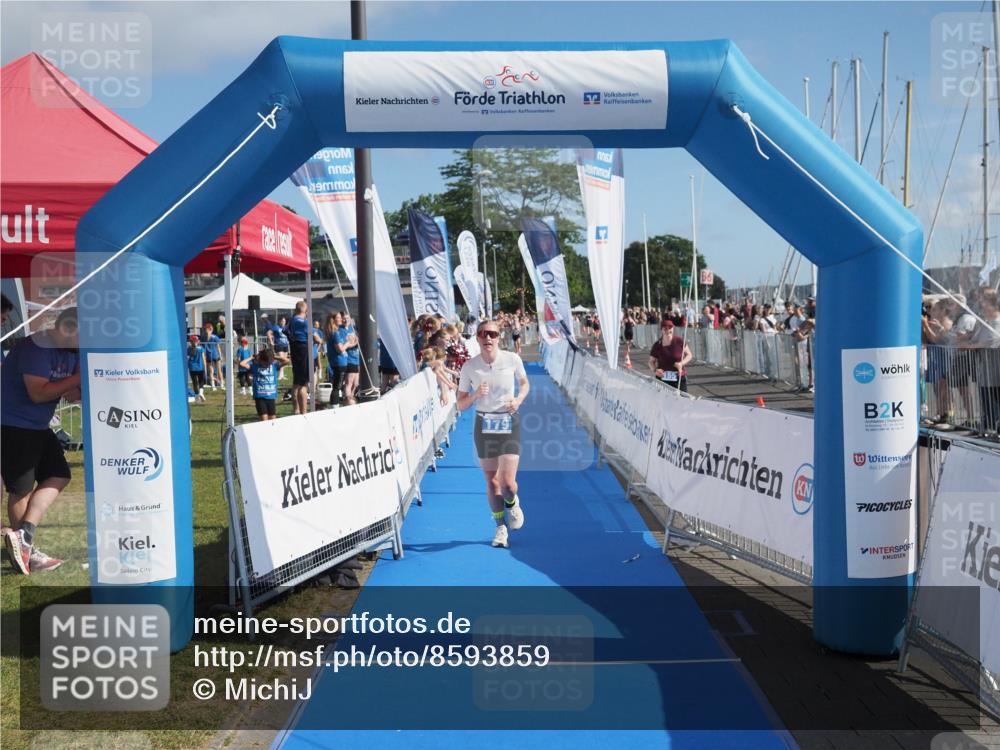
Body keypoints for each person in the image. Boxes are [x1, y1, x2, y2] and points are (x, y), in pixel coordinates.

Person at [1, 307, 80, 574]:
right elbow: (39, 393)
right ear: (67, 329)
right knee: (20, 489)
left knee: (58, 474)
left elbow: (72, 392)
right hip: (11, 423)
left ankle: (24, 534)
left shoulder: (73, 351)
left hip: (35, 424)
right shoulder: (35, 347)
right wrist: (78, 378)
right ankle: (26, 553)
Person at [456, 320, 530, 549]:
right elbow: (460, 404)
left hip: (508, 421)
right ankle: (500, 528)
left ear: (499, 337)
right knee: (492, 481)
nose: (488, 338)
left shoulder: (512, 359)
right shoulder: (469, 367)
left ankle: (513, 502)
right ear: (477, 337)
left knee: (507, 483)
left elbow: (525, 383)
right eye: (483, 334)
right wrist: (476, 394)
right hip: (484, 423)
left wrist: (518, 400)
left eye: (492, 334)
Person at [240, 348, 288, 421]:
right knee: (264, 421)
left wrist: (273, 356)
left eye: (268, 362)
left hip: (271, 397)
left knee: (273, 421)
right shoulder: (255, 367)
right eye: (265, 362)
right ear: (260, 360)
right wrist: (251, 357)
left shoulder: (274, 366)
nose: (266, 364)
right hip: (260, 397)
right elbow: (242, 363)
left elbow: (287, 360)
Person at [648, 319, 693, 392]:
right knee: (664, 401)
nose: (668, 330)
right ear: (661, 330)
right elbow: (651, 362)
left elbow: (689, 355)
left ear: (673, 328)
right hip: (663, 379)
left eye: (670, 328)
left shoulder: (679, 341)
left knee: (683, 400)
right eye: (665, 328)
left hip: (679, 377)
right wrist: (655, 370)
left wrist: (681, 363)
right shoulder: (657, 345)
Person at [288, 301, 312, 415]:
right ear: (305, 311)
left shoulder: (291, 320)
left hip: (295, 351)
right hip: (302, 351)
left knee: (296, 382)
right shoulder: (304, 322)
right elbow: (313, 336)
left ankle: (296, 410)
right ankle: (304, 412)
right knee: (303, 384)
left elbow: (285, 331)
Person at [201, 322, 222, 389]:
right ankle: (217, 384)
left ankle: (217, 385)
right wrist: (220, 355)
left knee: (215, 370)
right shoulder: (210, 337)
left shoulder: (207, 337)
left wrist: (220, 355)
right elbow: (218, 347)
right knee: (215, 370)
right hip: (213, 355)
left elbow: (217, 346)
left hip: (212, 355)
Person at [187, 335, 208, 403]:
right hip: (200, 367)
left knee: (194, 382)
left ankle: (196, 398)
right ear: (197, 341)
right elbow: (203, 359)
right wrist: (205, 368)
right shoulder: (201, 348)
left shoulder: (188, 349)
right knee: (201, 381)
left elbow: (187, 358)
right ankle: (201, 393)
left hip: (192, 367)